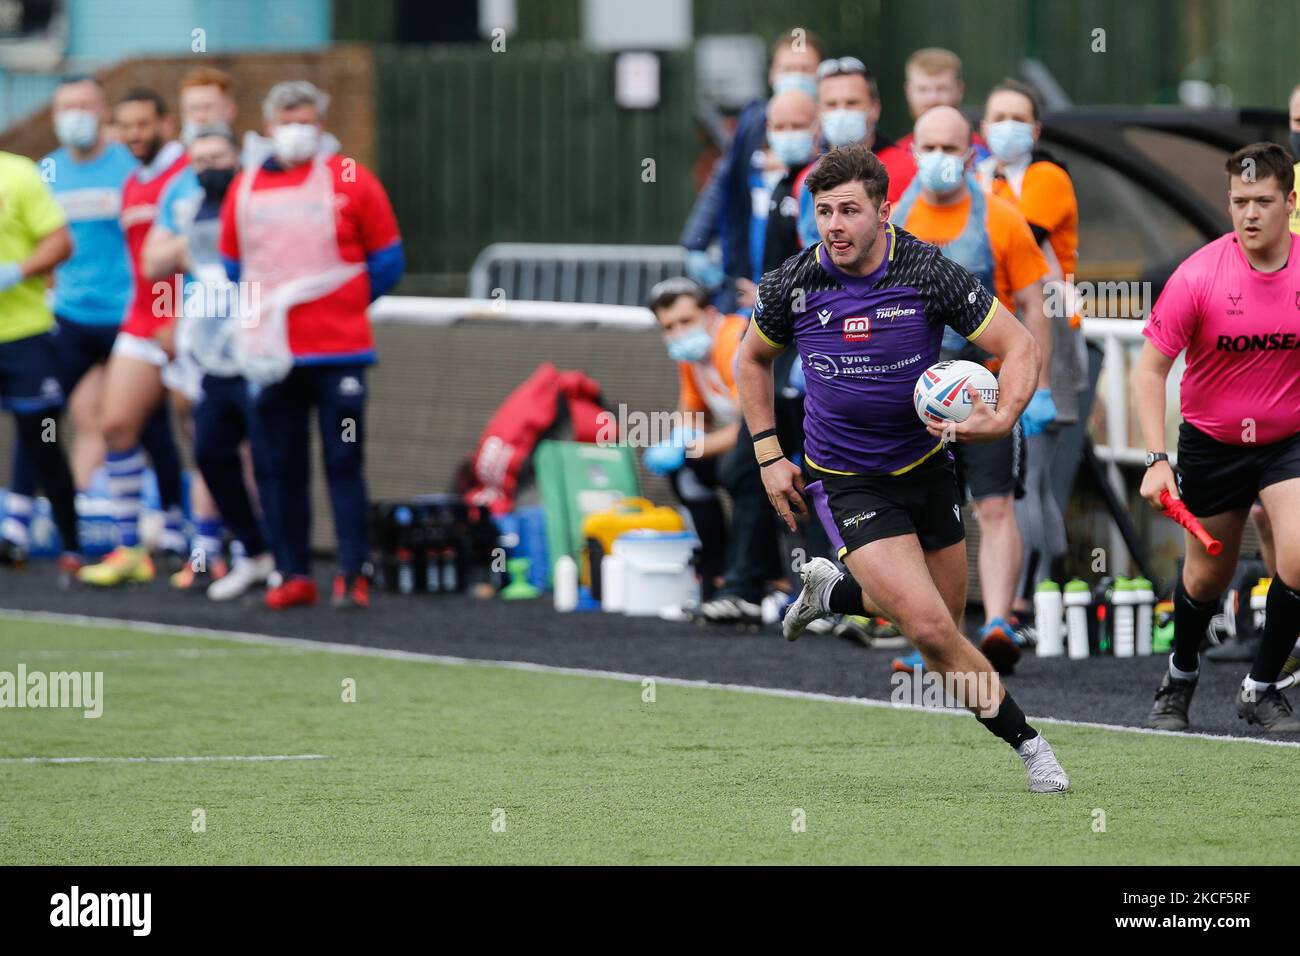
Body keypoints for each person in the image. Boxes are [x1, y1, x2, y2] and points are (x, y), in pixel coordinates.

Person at [737, 143, 1069, 792]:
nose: (834, 224)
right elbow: (751, 360)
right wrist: (769, 454)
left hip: (926, 466)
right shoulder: (795, 284)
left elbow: (1019, 344)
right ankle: (1031, 747)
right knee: (928, 629)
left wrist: (1002, 416)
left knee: (943, 621)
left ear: (884, 211)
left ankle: (831, 592)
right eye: (824, 210)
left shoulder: (926, 272)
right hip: (845, 479)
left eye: (850, 211)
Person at [219, 80, 404, 610]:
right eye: (286, 119)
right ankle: (291, 571)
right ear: (269, 124)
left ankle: (353, 571)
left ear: (321, 125)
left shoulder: (353, 180)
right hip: (273, 356)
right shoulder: (247, 186)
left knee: (344, 460)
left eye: (306, 119)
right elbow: (236, 265)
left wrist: (342, 303)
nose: (297, 130)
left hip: (339, 352)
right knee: (279, 465)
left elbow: (388, 258)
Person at [1140, 143, 1300, 733]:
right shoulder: (1199, 274)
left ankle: (1261, 686)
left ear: (1289, 200)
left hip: (1288, 442)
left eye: (1262, 201)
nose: (1249, 214)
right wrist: (1157, 460)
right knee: (1207, 577)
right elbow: (1149, 368)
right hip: (1211, 444)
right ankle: (1180, 675)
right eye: (1238, 202)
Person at [890, 106, 1055, 674]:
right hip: (912, 398)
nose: (940, 157)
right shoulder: (891, 222)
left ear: (972, 151)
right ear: (912, 151)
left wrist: (1036, 389)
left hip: (985, 388)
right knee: (925, 515)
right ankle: (936, 639)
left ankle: (999, 625)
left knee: (994, 505)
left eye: (951, 147)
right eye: (929, 146)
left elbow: (1035, 306)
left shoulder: (1001, 219)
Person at [0, 77, 140, 565]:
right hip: (70, 315)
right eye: (66, 107)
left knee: (124, 423)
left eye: (84, 105)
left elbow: (59, 242)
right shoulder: (49, 170)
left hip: (119, 316)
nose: (75, 115)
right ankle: (15, 527)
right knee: (42, 426)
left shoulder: (127, 169)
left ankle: (144, 537)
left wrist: (16, 273)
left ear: (103, 110)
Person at [142, 123, 277, 601]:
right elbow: (160, 269)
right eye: (200, 161)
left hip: (256, 347)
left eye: (218, 157)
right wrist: (172, 318)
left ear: (237, 157)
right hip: (209, 353)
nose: (209, 169)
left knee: (265, 455)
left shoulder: (255, 199)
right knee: (209, 451)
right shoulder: (187, 207)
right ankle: (250, 550)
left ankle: (279, 559)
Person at [974, 79, 1088, 630]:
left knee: (1034, 476)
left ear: (1036, 129)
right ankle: (1031, 595)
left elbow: (1013, 234)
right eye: (997, 115)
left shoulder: (1045, 178)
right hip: (1000, 333)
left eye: (1018, 116)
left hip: (1049, 336)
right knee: (1013, 477)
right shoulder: (984, 181)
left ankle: (1034, 594)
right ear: (982, 129)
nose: (1007, 125)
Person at [76, 89, 191, 587]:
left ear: (165, 123)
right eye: (125, 125)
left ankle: (213, 545)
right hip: (142, 321)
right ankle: (131, 548)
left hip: (188, 322)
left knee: (206, 436)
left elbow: (201, 252)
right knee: (116, 425)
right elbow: (139, 267)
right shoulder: (131, 182)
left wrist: (180, 316)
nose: (134, 134)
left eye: (143, 124)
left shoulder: (186, 175)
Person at [642, 277, 785, 624]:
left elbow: (752, 423)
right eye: (669, 327)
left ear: (709, 314)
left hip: (782, 441)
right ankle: (714, 582)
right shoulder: (691, 357)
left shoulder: (731, 341)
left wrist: (690, 447)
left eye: (685, 321)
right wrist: (679, 443)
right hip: (746, 444)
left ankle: (758, 587)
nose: (678, 333)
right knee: (689, 474)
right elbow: (691, 418)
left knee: (740, 466)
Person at [679, 29, 823, 312]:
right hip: (747, 273)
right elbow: (724, 180)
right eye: (788, 68)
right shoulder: (753, 121)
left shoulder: (831, 129)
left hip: (802, 287)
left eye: (805, 69)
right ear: (772, 74)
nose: (796, 76)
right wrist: (695, 242)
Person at [796, 57, 910, 248]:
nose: (841, 113)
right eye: (832, 104)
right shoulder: (806, 180)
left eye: (851, 103)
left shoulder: (908, 170)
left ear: (875, 109)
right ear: (818, 111)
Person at [886, 48, 990, 202]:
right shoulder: (895, 157)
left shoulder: (984, 152)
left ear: (959, 90)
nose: (932, 99)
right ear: (908, 92)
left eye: (941, 89)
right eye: (923, 89)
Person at [761, 89, 820, 273]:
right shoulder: (780, 182)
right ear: (768, 130)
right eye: (779, 127)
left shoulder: (822, 182)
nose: (788, 135)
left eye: (797, 126)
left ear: (817, 128)